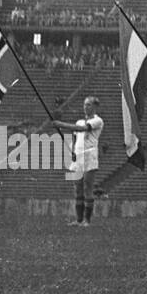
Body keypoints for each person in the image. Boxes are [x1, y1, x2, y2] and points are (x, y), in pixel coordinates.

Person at [54, 96, 104, 227]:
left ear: (95, 107)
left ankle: (87, 220)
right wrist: (72, 152)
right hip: (78, 159)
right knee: (78, 189)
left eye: (88, 105)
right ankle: (79, 219)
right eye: (84, 104)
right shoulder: (79, 121)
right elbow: (76, 138)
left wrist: (60, 124)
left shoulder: (97, 121)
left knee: (88, 188)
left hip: (90, 158)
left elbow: (83, 130)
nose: (85, 107)